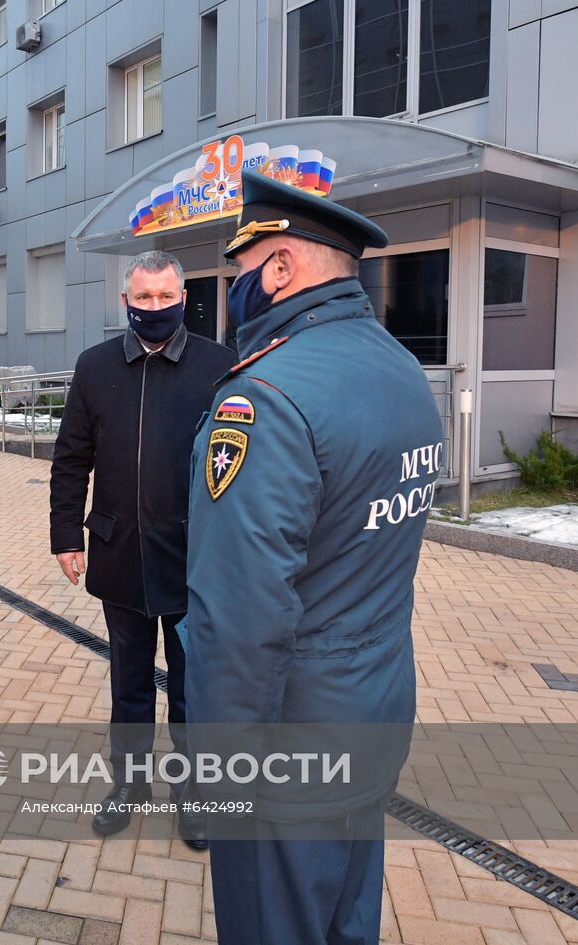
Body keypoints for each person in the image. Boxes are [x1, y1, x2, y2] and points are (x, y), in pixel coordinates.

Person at [184, 169, 443, 944]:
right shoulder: (402, 371)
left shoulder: (263, 398)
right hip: (375, 710)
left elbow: (240, 619)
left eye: (241, 273)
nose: (236, 290)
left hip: (288, 742)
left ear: (283, 268)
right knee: (346, 917)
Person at [49, 250, 235, 846]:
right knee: (128, 682)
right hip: (119, 554)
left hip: (193, 561)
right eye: (143, 298)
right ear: (124, 301)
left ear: (183, 299)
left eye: (165, 297)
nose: (154, 308)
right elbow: (72, 459)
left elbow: (238, 464)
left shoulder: (219, 366)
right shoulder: (95, 366)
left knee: (190, 687)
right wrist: (64, 535)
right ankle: (129, 784)